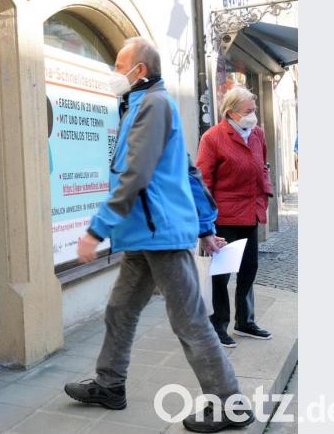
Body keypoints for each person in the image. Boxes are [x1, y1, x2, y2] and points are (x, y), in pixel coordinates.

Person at [63, 37, 254, 433]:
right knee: (120, 310)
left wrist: (96, 230)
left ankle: (230, 404)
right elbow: (186, 171)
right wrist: (205, 226)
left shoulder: (154, 105)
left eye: (119, 66)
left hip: (160, 235)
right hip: (142, 236)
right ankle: (109, 384)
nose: (115, 73)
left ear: (140, 70)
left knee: (190, 322)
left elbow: (137, 174)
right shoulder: (138, 104)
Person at [196, 86, 274, 348]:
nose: (253, 115)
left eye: (254, 109)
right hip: (225, 217)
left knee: (249, 269)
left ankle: (245, 321)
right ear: (231, 112)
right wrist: (206, 224)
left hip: (251, 213)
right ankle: (218, 326)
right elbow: (203, 183)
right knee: (221, 275)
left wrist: (265, 193)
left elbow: (262, 166)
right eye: (248, 111)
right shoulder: (213, 138)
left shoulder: (257, 134)